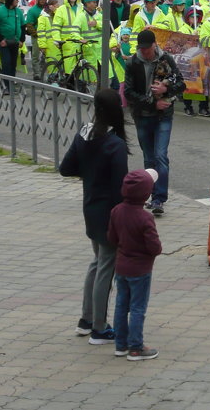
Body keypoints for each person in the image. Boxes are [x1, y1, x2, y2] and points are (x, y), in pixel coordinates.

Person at [58, 88, 130, 346]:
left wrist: (88, 173)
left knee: (97, 261)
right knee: (106, 267)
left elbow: (65, 168)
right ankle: (100, 327)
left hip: (90, 207)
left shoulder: (84, 133)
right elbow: (122, 186)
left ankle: (86, 319)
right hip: (110, 212)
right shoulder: (115, 144)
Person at [123, 29, 185, 217]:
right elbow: (128, 92)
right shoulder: (132, 63)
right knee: (149, 157)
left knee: (160, 155)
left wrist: (166, 87)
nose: (145, 53)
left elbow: (181, 84)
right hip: (142, 115)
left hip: (163, 115)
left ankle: (159, 199)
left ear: (154, 45)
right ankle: (148, 195)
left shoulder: (166, 59)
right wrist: (152, 102)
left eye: (147, 49)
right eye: (141, 49)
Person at [108, 168, 163, 361]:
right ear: (146, 193)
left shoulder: (116, 211)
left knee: (121, 305)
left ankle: (120, 344)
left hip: (121, 267)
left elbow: (111, 238)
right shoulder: (145, 217)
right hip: (140, 269)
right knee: (138, 308)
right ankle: (136, 347)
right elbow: (154, 247)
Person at [0, 0, 25, 80]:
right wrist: (0, 40)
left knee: (13, 64)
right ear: (10, 0)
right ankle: (5, 84)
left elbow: (22, 26)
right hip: (4, 42)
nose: (17, 1)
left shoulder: (19, 11)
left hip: (16, 41)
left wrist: (22, 40)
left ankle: (11, 82)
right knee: (6, 63)